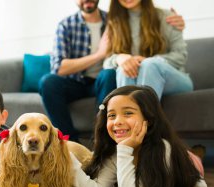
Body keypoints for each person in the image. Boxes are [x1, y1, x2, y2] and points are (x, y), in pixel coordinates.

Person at [39, 0, 186, 142]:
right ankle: (69, 142)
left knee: (110, 73)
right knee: (48, 82)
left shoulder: (113, 19)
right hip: (75, 82)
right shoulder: (68, 25)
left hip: (105, 79)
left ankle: (103, 140)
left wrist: (176, 22)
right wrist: (102, 55)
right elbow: (58, 68)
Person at [72, 85, 207, 187]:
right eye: (111, 115)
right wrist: (68, 161)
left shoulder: (162, 148)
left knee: (200, 186)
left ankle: (196, 158)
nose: (117, 121)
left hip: (185, 162)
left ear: (148, 120)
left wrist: (125, 149)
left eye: (128, 113)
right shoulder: (115, 152)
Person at [103, 0, 192, 100]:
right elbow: (106, 64)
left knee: (149, 65)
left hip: (175, 79)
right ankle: (133, 113)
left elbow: (180, 56)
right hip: (136, 81)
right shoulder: (113, 22)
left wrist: (148, 61)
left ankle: (135, 113)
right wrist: (119, 58)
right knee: (124, 68)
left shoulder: (167, 16)